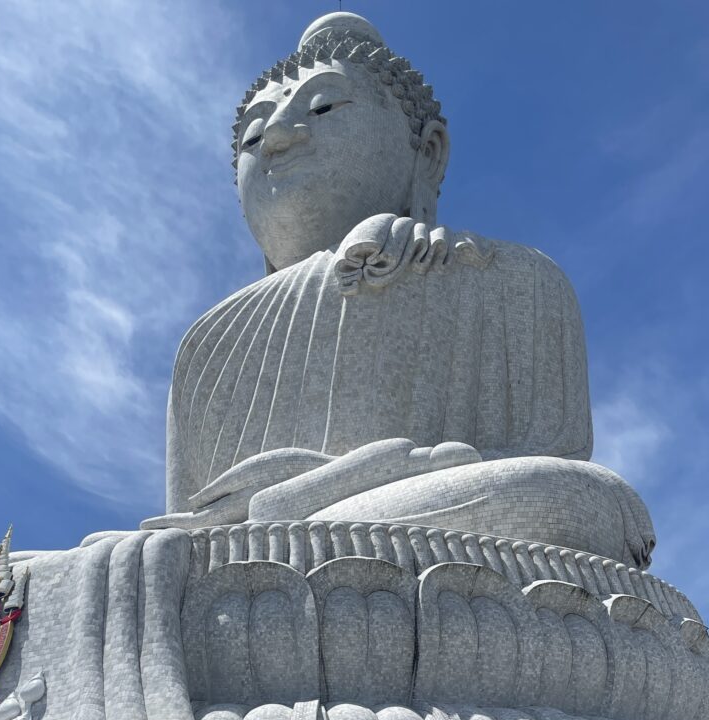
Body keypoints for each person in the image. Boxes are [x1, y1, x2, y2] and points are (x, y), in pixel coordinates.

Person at [161, 12, 654, 568]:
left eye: (323, 107)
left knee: (583, 502)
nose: (274, 137)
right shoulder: (209, 342)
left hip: (437, 527)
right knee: (141, 560)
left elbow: (557, 458)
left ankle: (286, 552)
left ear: (428, 152)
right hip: (243, 567)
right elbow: (188, 529)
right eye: (253, 134)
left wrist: (334, 483)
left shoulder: (511, 277)